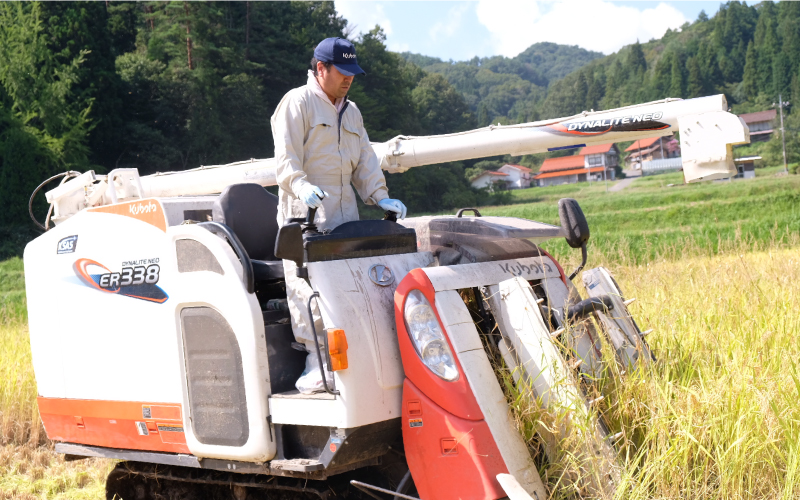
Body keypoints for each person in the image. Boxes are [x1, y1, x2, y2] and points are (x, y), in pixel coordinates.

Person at [271, 37, 407, 393]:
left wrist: (380, 197)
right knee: (308, 288)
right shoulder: (295, 104)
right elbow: (284, 160)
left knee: (349, 285)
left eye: (353, 73)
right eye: (343, 72)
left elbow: (364, 160)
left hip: (346, 214)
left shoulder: (353, 111)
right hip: (306, 214)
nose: (349, 79)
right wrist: (299, 186)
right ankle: (317, 362)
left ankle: (354, 356)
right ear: (321, 69)